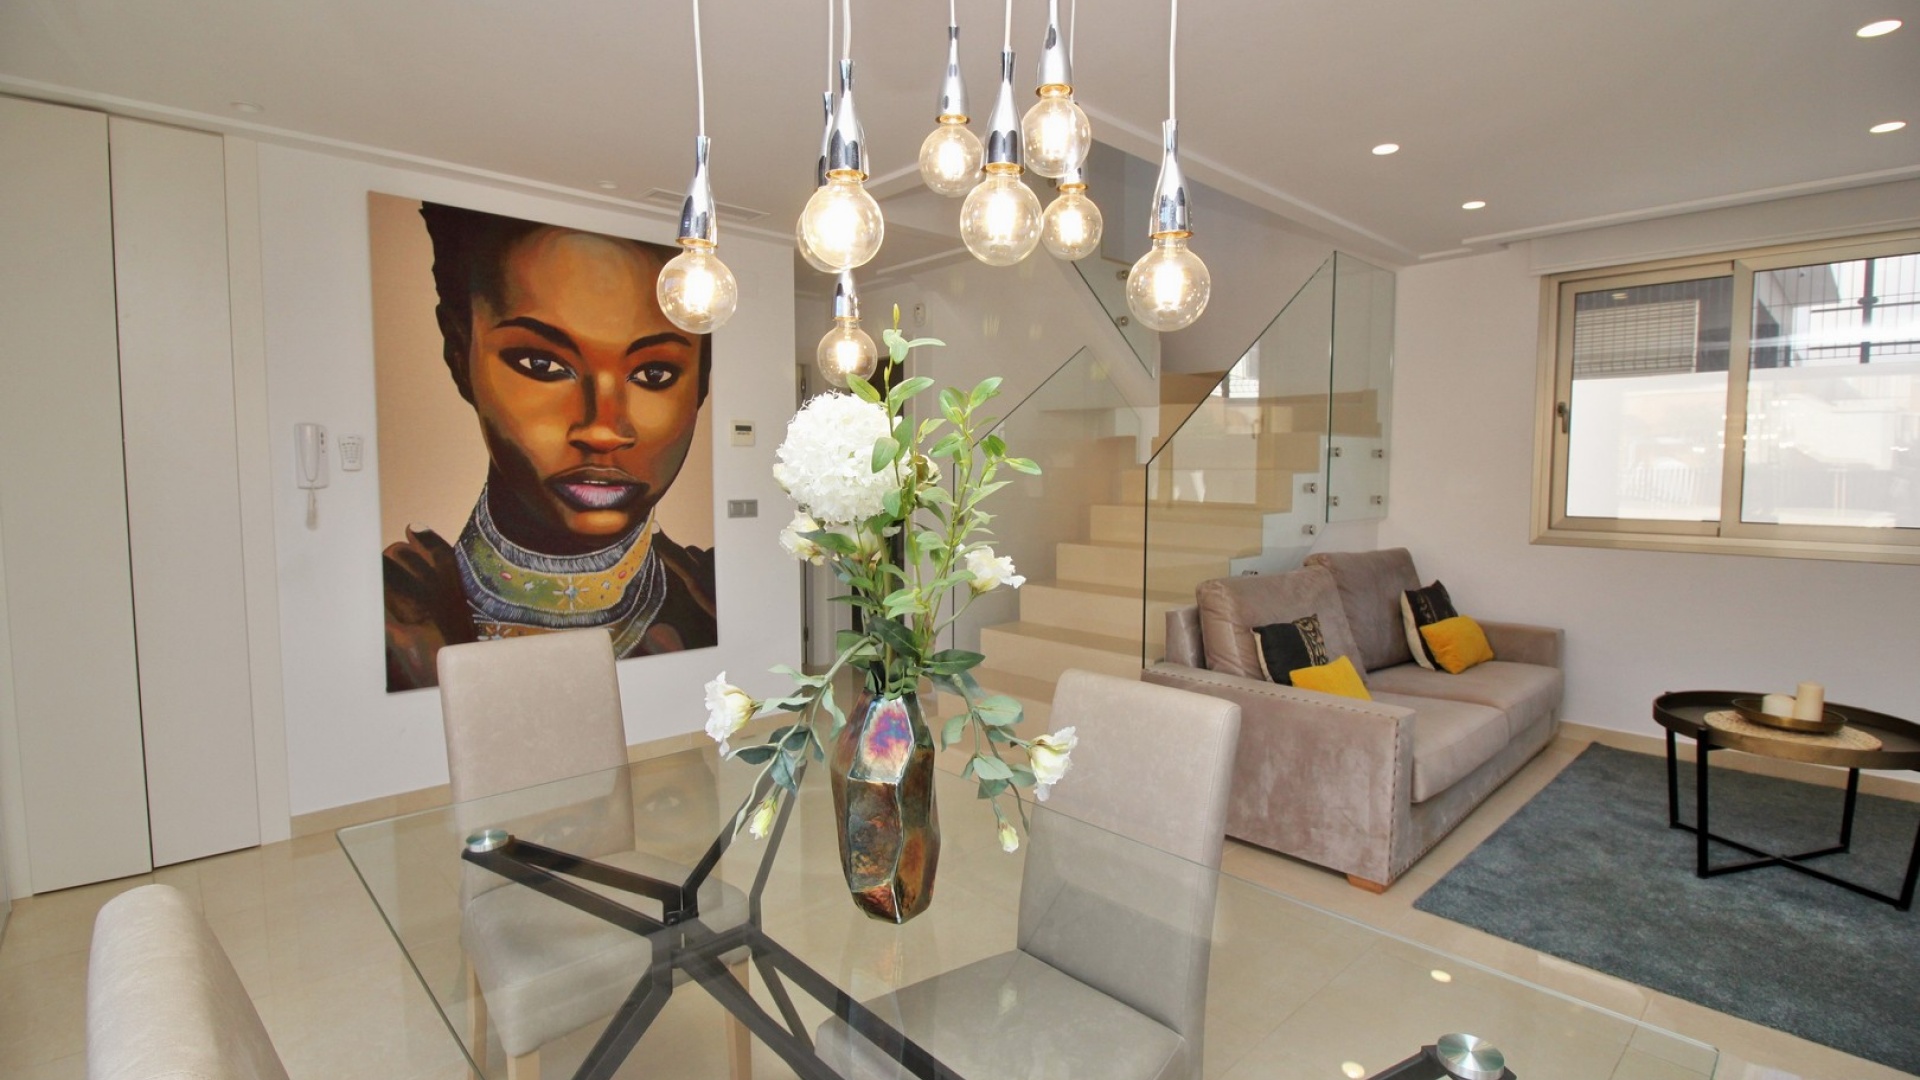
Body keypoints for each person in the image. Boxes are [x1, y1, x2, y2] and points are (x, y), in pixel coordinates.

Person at [383, 202, 716, 691]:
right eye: (542, 366)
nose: (602, 430)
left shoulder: (707, 597)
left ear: (701, 381)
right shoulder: (398, 623)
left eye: (653, 373)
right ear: (458, 353)